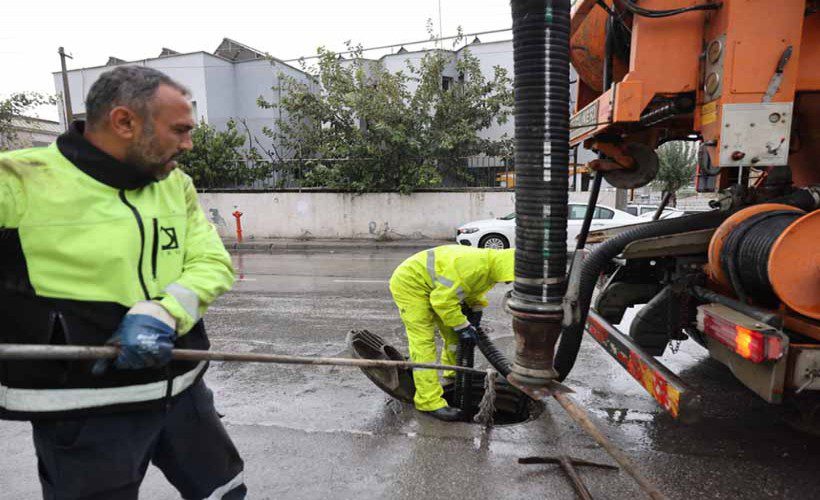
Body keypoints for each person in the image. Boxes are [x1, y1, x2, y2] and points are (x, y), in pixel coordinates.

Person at [0, 66, 246, 499]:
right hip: (84, 407)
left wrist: (164, 310)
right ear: (124, 122)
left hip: (182, 390)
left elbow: (211, 261)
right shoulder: (18, 181)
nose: (188, 144)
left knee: (225, 491)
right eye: (180, 130)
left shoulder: (175, 185)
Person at [389, 245, 514, 421]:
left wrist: (476, 308)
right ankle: (428, 401)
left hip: (436, 289)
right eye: (509, 279)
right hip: (411, 284)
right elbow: (442, 301)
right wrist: (462, 325)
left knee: (454, 337)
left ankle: (453, 373)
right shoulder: (475, 268)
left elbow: (470, 290)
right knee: (423, 341)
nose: (508, 282)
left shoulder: (492, 268)